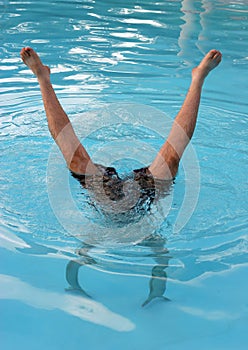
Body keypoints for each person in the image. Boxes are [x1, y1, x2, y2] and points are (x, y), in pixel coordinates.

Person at [20, 47, 222, 212]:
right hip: (141, 194)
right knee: (170, 160)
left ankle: (198, 78)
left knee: (76, 160)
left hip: (110, 197)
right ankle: (42, 77)